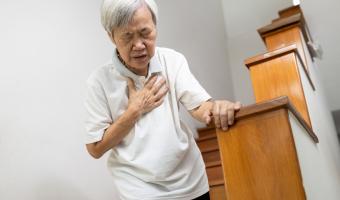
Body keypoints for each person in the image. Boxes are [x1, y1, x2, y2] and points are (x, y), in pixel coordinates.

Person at [84, 0, 241, 199]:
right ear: (111, 36)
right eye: (127, 36)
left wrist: (218, 108)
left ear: (155, 27)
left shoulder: (172, 60)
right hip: (139, 190)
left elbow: (199, 107)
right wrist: (134, 111)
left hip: (190, 181)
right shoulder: (99, 82)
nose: (139, 45)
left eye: (145, 33)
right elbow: (95, 148)